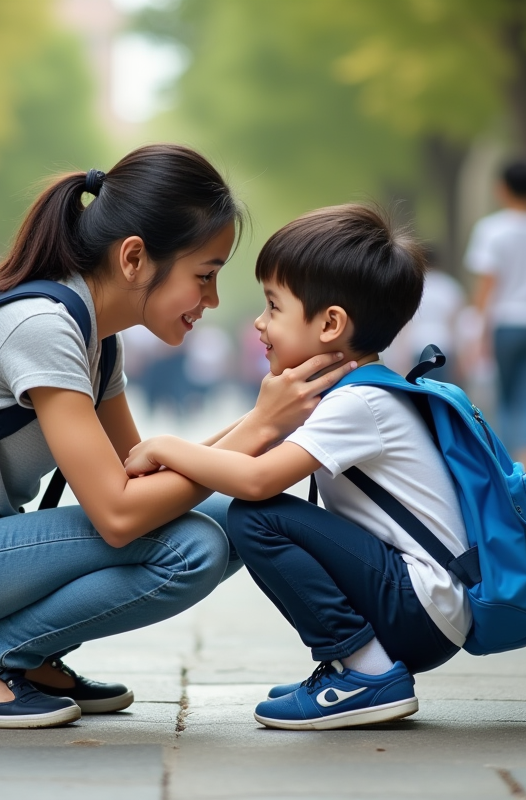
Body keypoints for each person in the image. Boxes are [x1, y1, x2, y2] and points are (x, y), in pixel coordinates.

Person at [0, 145, 356, 729]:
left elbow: (141, 474)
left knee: (238, 511)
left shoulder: (98, 339)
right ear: (134, 258)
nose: (214, 300)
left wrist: (269, 420)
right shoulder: (44, 328)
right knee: (190, 548)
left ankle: (28, 657)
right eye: (205, 274)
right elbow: (119, 514)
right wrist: (262, 426)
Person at [125, 204, 468, 731]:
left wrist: (166, 448)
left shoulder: (359, 404)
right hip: (419, 605)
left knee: (254, 514)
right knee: (254, 508)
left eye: (273, 306)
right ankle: (350, 664)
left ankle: (366, 673)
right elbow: (244, 446)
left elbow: (255, 477)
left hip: (419, 608)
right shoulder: (347, 392)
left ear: (330, 323)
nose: (259, 323)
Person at [464, 160, 526, 472]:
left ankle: (509, 467)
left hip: (505, 321)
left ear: (502, 189)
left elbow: (486, 285)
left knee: (505, 395)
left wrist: (477, 331)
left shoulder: (491, 229)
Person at [385, 246, 465, 384]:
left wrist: (400, 352)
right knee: (442, 389)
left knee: (419, 388)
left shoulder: (411, 285)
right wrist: (460, 357)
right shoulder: (450, 287)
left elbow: (406, 323)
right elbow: (455, 325)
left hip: (417, 345)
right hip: (443, 346)